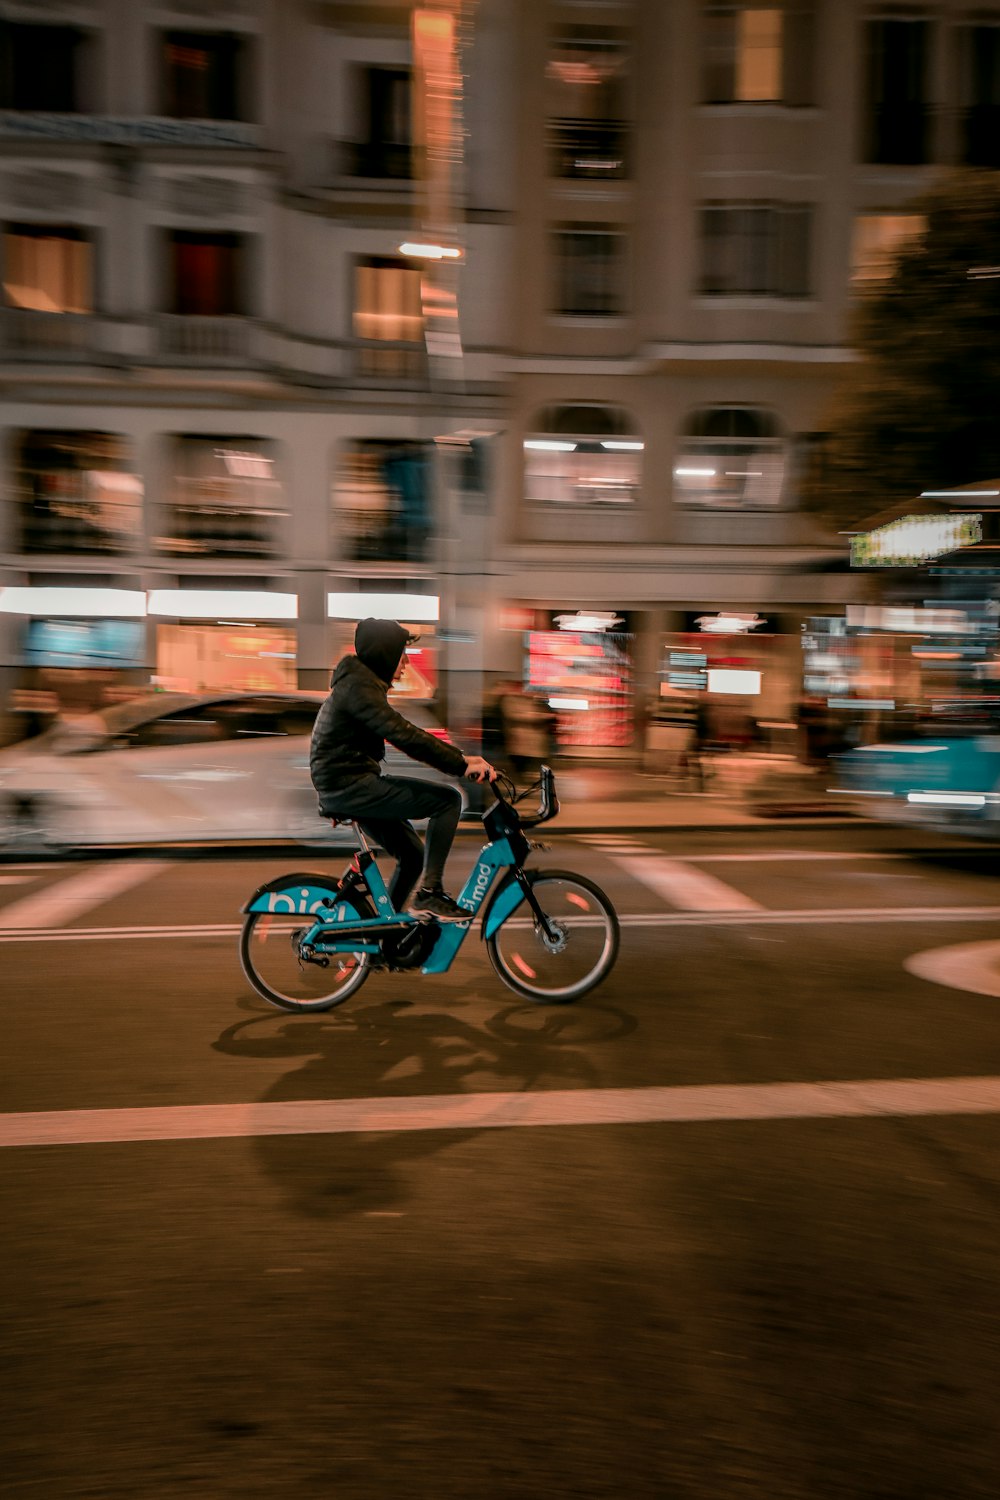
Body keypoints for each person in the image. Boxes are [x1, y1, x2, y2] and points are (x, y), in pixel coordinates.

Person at [309, 619, 495, 923]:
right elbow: (403, 734)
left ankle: (386, 935)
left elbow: (402, 733)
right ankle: (430, 893)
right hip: (350, 786)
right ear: (384, 654)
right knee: (447, 801)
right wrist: (461, 764)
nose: (407, 661)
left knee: (413, 856)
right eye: (401, 653)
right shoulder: (359, 688)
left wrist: (461, 759)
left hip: (350, 784)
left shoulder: (359, 684)